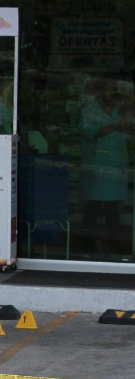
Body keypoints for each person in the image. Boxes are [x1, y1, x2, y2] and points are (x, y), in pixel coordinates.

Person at [79, 78, 132, 254]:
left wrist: (126, 117)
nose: (114, 93)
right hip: (97, 164)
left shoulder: (120, 110)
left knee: (113, 206)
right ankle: (86, 242)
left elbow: (131, 129)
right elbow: (92, 132)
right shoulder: (89, 111)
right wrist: (115, 126)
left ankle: (115, 242)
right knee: (93, 204)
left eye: (115, 89)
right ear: (100, 92)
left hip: (117, 163)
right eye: (110, 90)